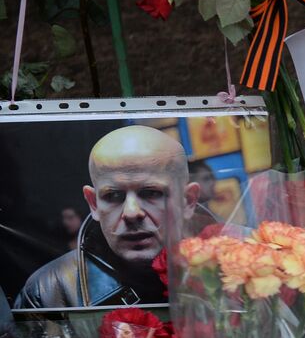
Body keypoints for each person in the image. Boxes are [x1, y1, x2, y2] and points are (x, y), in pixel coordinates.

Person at [14, 126, 199, 311]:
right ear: (93, 203)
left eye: (151, 193)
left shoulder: (225, 271)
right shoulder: (51, 291)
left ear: (188, 201)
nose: (132, 213)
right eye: (113, 196)